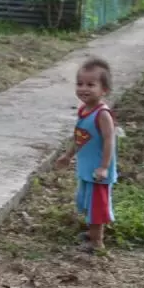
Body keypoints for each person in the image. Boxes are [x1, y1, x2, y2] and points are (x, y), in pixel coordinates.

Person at [54, 58, 118, 252]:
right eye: (80, 83)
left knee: (97, 206)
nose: (84, 88)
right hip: (87, 168)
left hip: (98, 171)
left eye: (91, 84)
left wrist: (104, 166)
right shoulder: (84, 110)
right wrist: (67, 155)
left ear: (104, 90)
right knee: (88, 202)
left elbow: (109, 140)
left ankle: (97, 243)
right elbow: (80, 136)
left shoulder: (102, 114)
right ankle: (92, 233)